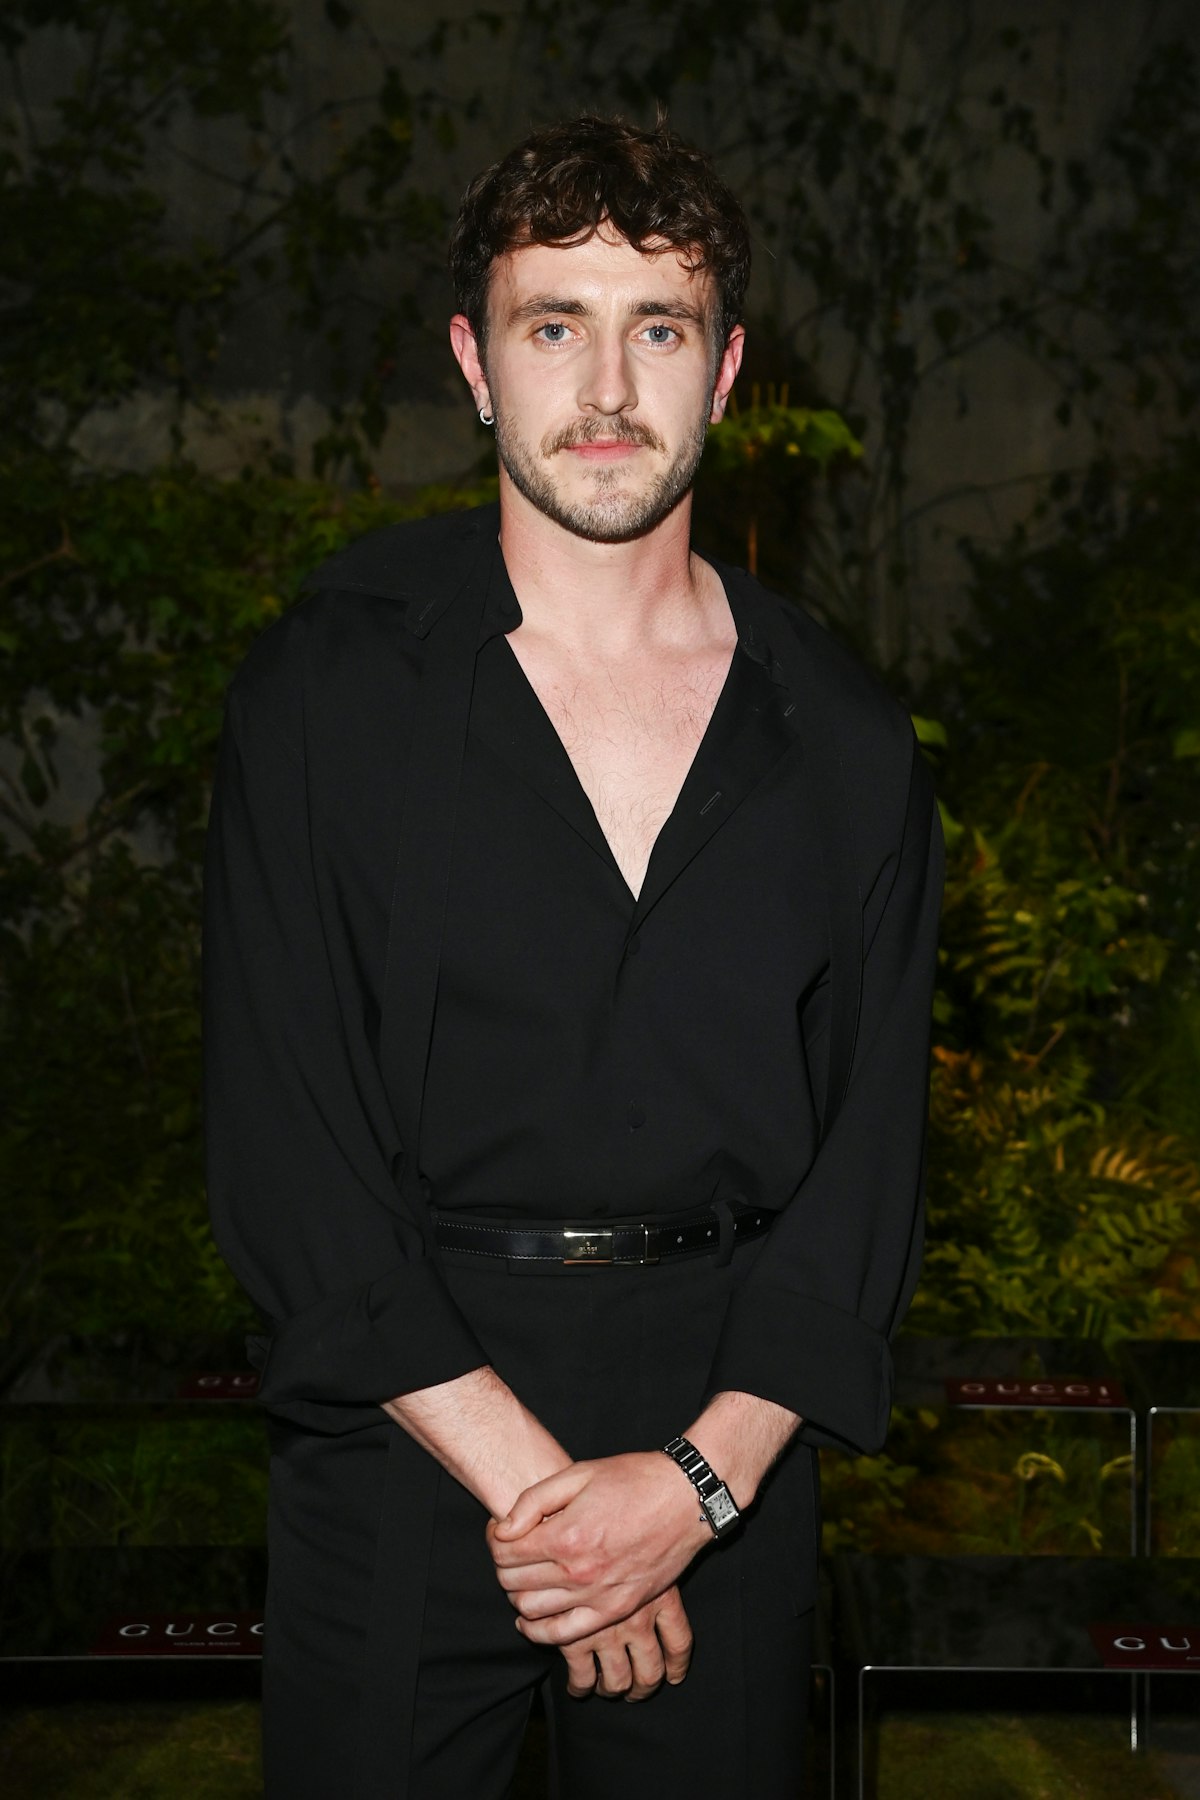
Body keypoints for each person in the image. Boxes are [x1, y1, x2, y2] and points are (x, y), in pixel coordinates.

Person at [203, 113, 943, 1799]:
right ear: (476, 363)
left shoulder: (845, 741)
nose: (607, 388)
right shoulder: (325, 693)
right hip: (401, 1441)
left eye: (657, 328)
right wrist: (561, 1512)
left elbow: (869, 1172)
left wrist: (686, 1492)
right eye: (555, 325)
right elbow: (285, 1144)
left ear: (726, 370)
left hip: (727, 1450)